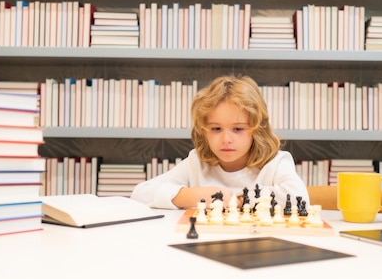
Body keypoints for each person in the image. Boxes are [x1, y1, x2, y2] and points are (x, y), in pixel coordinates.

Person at [131, 75, 309, 209]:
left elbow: (299, 197)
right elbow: (140, 193)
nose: (226, 139)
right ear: (203, 131)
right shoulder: (196, 163)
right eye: (216, 129)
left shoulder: (276, 163)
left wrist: (239, 199)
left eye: (238, 129)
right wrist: (194, 195)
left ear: (257, 130)